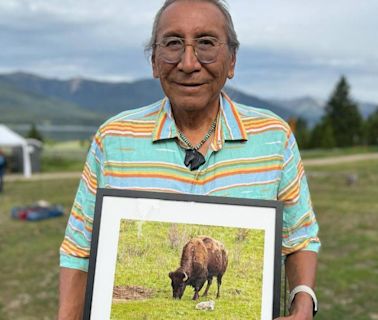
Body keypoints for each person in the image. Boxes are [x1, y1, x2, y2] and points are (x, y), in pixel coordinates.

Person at [58, 1, 320, 319]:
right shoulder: (114, 139)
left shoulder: (274, 137)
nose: (188, 62)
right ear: (154, 61)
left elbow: (300, 238)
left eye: (206, 43)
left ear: (232, 60)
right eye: (172, 43)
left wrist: (303, 302)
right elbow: (79, 249)